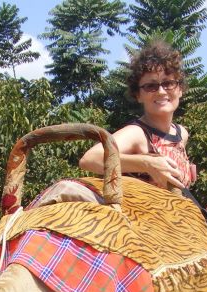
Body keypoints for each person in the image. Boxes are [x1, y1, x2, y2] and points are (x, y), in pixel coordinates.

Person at [79, 40, 196, 190]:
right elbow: (89, 159)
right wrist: (146, 163)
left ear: (180, 89)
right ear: (138, 95)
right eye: (150, 86)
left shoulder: (181, 134)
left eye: (168, 83)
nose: (161, 91)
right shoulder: (137, 133)